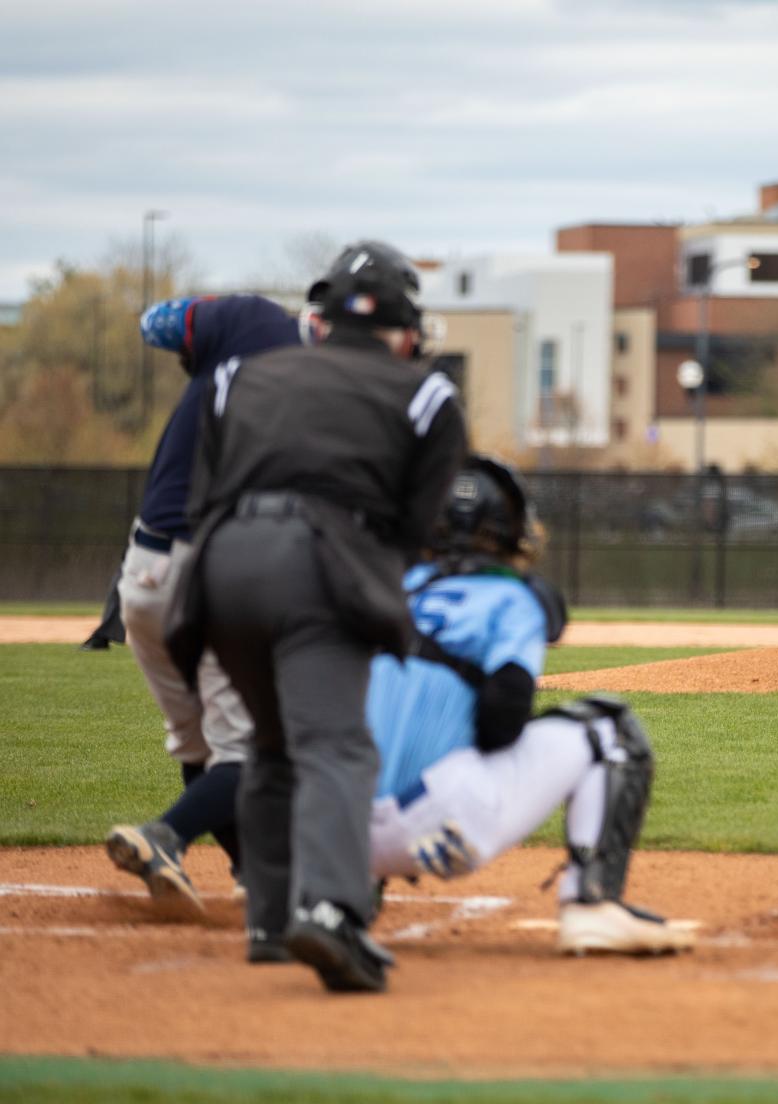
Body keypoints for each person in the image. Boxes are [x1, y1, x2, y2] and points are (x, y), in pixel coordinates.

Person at [165, 240, 467, 993]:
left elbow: (202, 497)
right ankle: (331, 910)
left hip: (218, 566)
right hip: (319, 561)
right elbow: (411, 530)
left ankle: (268, 922)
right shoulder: (426, 395)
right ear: (406, 330)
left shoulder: (237, 375)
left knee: (270, 744)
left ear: (320, 320)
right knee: (335, 746)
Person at [365, 455, 695, 956]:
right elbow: (503, 722)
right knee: (611, 727)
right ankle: (592, 905)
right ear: (508, 529)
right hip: (442, 824)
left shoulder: (386, 587)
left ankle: (341, 896)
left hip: (335, 828)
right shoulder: (511, 598)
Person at [105, 293, 301, 910]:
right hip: (201, 572)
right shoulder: (284, 357)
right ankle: (165, 836)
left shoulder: (227, 355)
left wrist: (199, 340)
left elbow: (158, 320)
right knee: (248, 747)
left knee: (198, 745)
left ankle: (251, 870)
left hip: (140, 573)